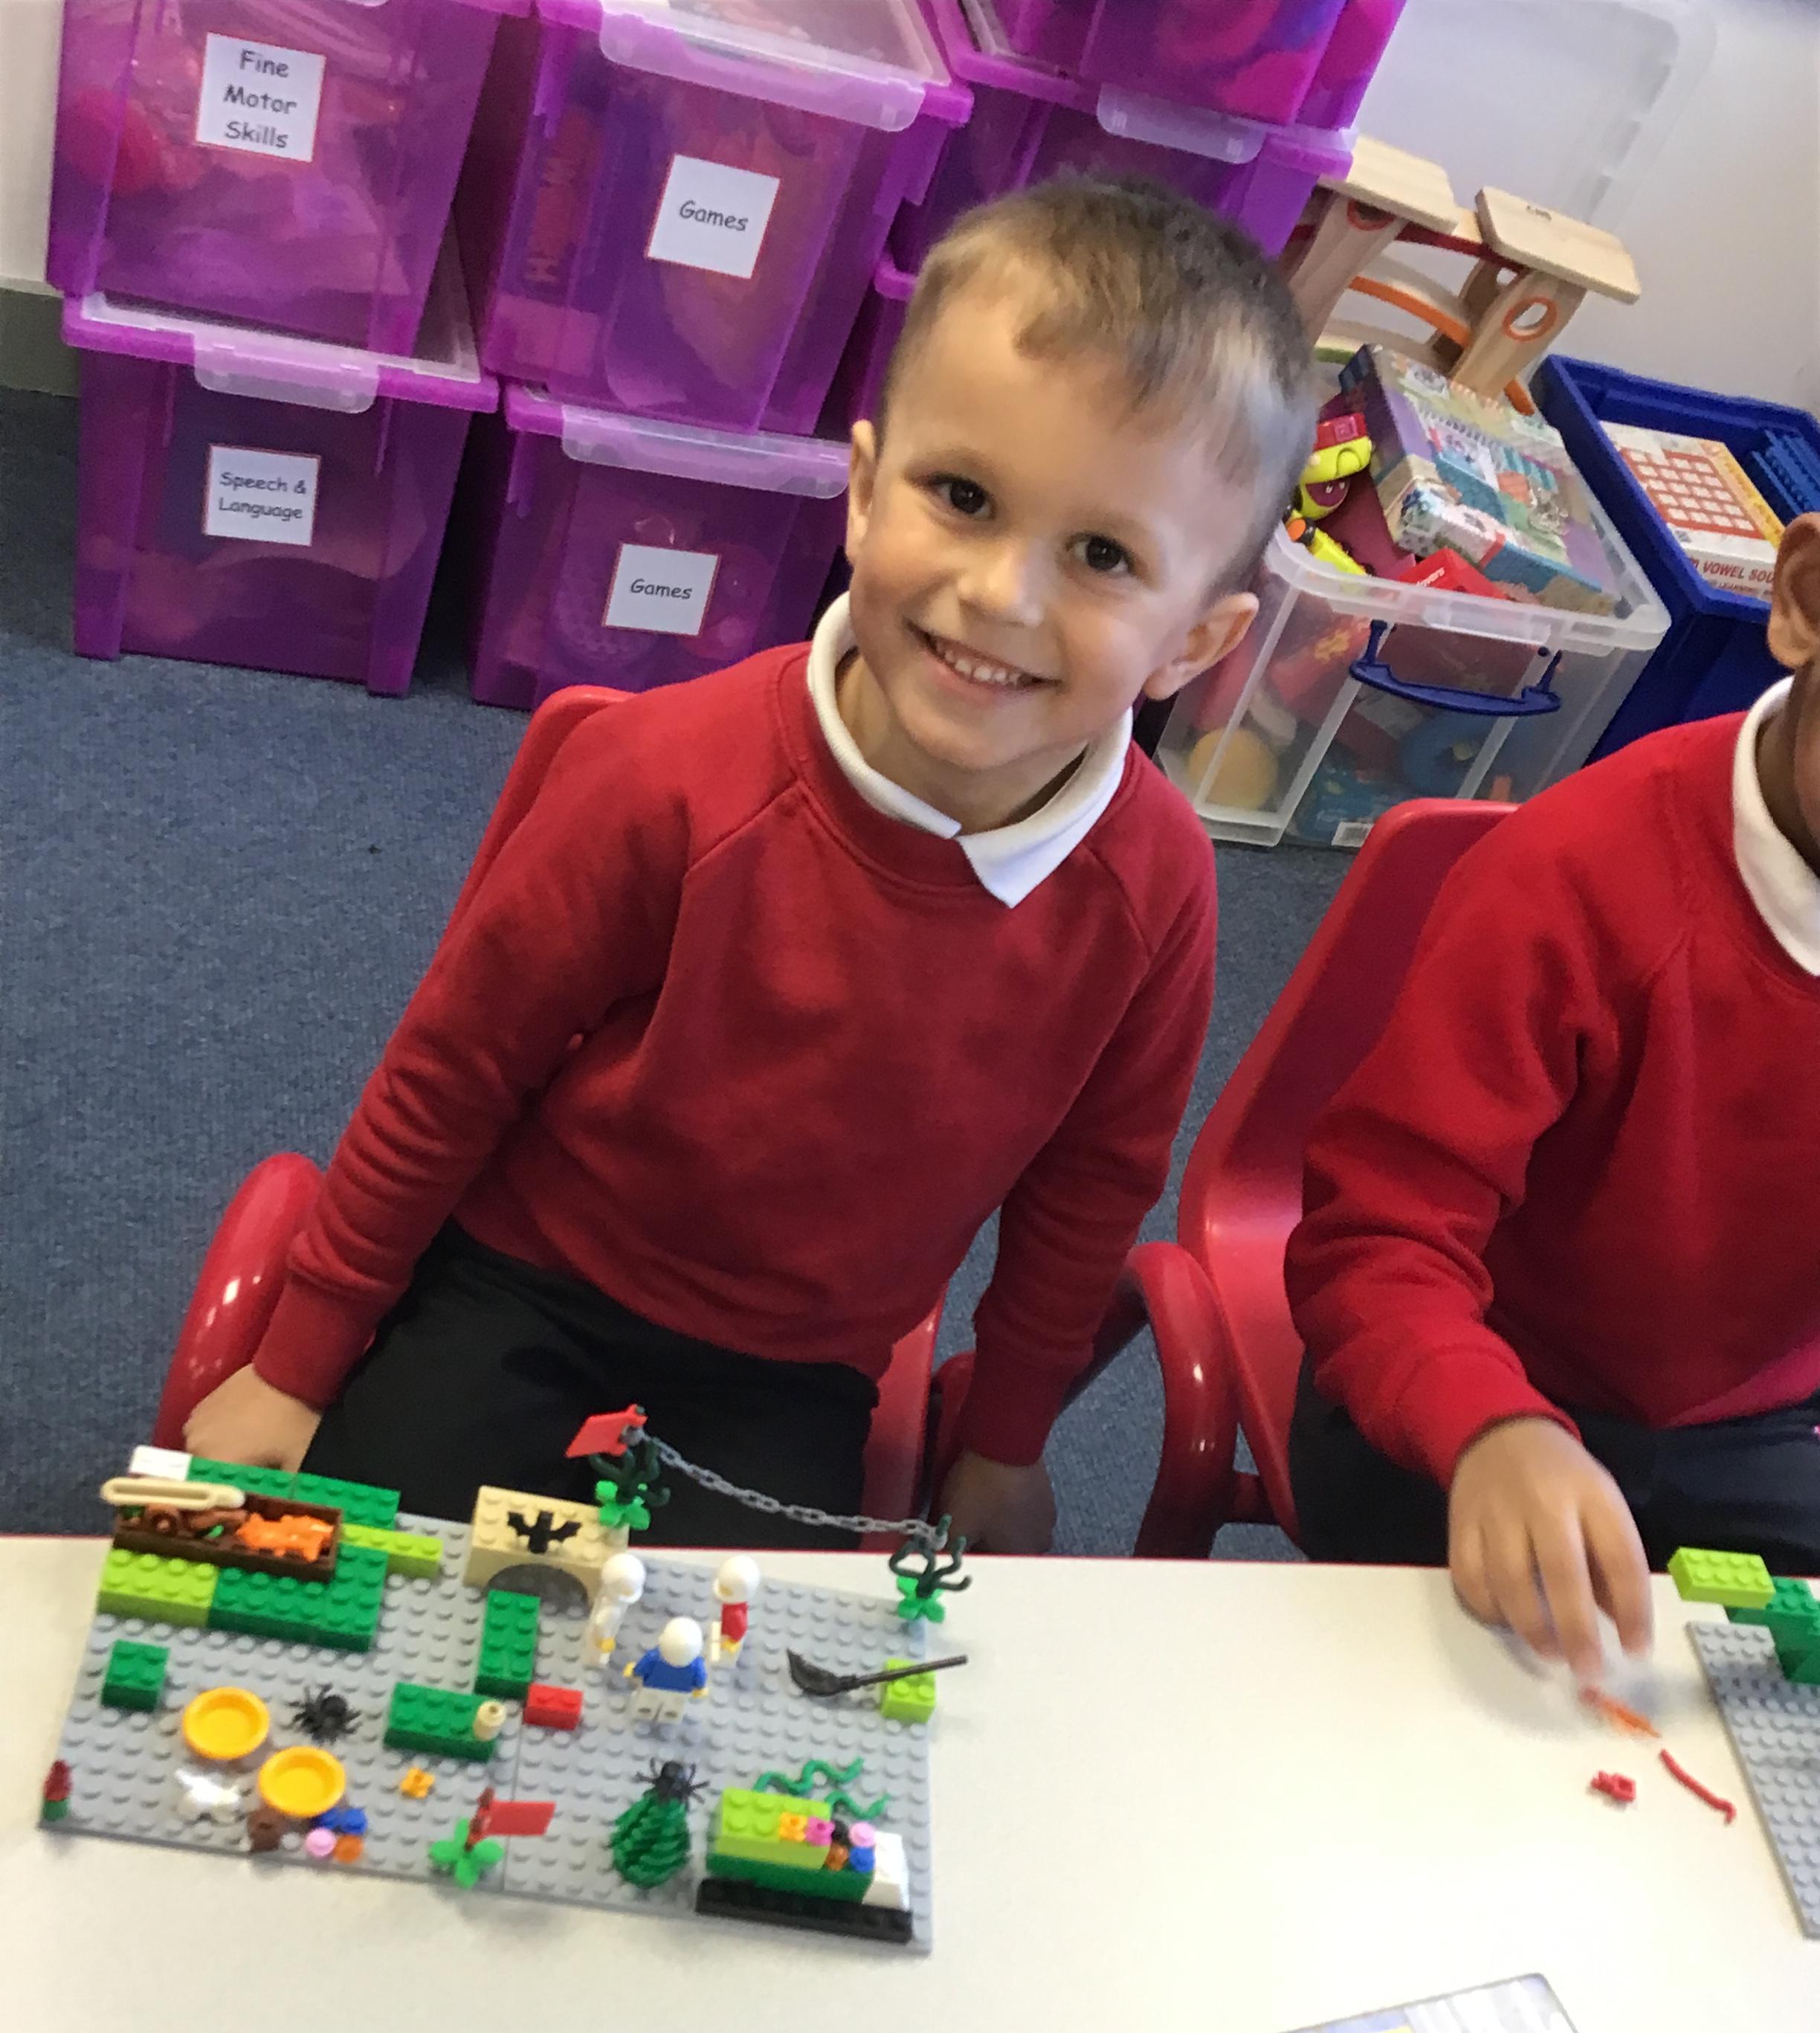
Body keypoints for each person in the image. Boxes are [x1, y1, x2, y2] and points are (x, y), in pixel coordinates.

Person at [184, 176, 1314, 1548]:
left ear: (1197, 643)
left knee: (732, 1659)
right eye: (963, 496)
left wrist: (1004, 1444)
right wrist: (298, 1362)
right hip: (525, 1279)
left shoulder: (1158, 888)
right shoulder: (665, 776)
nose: (1002, 595)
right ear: (864, 491)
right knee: (372, 1586)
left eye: (1102, 555)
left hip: (795, 1368)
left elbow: (1089, 1189)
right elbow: (454, 1066)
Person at [1285, 513, 1820, 1683]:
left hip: (1756, 1428)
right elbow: (1375, 1237)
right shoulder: (1579, 878)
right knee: (1435, 1715)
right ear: (1806, 600)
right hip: (1481, 1384)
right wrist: (1494, 1423)